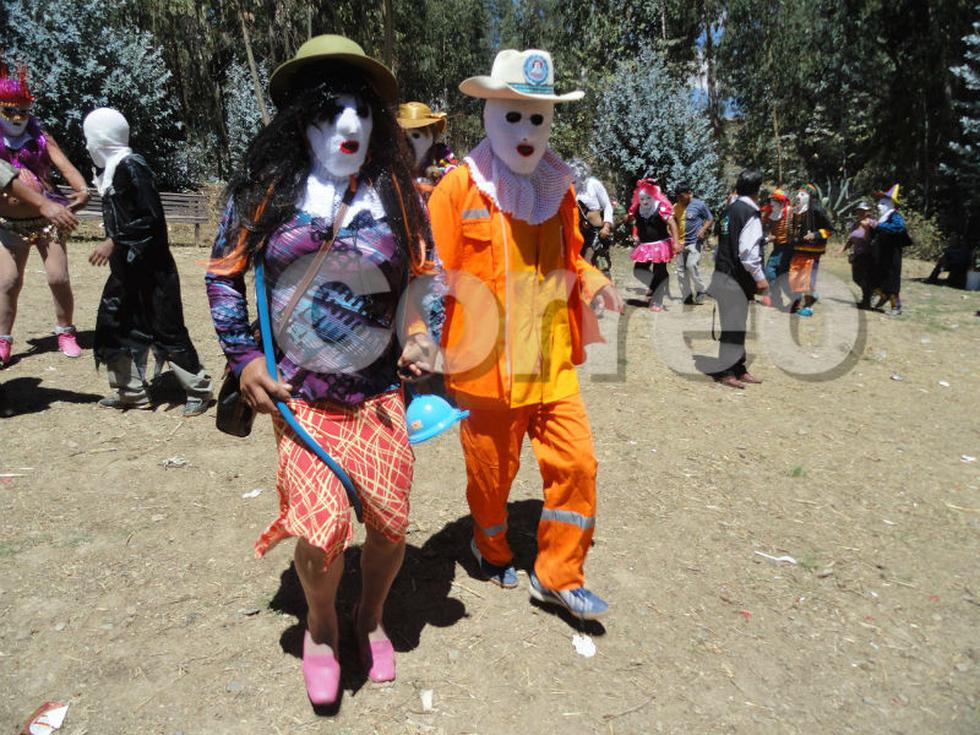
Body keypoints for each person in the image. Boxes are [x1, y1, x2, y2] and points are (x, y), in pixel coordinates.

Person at [206, 35, 441, 706]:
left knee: (390, 524)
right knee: (319, 526)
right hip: (300, 398)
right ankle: (321, 623)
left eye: (361, 111)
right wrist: (245, 356)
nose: (349, 125)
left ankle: (370, 617)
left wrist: (422, 334)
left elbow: (426, 278)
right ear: (299, 118)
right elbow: (225, 277)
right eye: (330, 109)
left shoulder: (396, 191)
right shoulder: (264, 189)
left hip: (378, 397)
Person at [428, 48, 623, 620]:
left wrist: (592, 279)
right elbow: (425, 274)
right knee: (493, 477)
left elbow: (571, 257)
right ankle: (490, 547)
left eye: (537, 118)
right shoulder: (458, 190)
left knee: (578, 464)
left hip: (550, 361)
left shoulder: (560, 187)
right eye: (513, 115)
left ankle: (559, 573)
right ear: (489, 113)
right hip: (486, 371)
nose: (525, 130)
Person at [82, 108, 213, 415]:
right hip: (126, 269)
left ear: (100, 139)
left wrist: (113, 240)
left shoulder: (132, 166)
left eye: (89, 139)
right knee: (115, 324)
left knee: (167, 328)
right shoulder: (112, 170)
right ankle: (131, 392)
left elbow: (151, 218)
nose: (87, 146)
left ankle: (199, 390)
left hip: (153, 270)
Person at [0, 60, 89, 366]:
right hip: (8, 224)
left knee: (58, 277)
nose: (16, 117)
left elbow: (67, 168)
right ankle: (3, 338)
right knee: (8, 282)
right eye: (9, 110)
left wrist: (81, 191)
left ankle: (65, 331)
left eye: (22, 111)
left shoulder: (40, 136)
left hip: (48, 222)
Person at [705, 169, 768, 389]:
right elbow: (748, 253)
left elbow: (719, 246)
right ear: (757, 191)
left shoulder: (729, 210)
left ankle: (739, 368)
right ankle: (726, 371)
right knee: (733, 325)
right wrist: (760, 278)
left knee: (737, 324)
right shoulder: (749, 214)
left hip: (724, 275)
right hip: (736, 279)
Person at [629, 178, 680, 312]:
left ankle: (658, 300)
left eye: (648, 198)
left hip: (661, 244)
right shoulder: (637, 209)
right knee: (638, 270)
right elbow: (633, 220)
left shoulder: (661, 207)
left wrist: (676, 242)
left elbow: (672, 224)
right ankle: (654, 286)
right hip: (645, 245)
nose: (645, 201)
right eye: (642, 198)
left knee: (659, 271)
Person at [396, 101, 457, 201]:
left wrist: (432, 189)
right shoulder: (396, 157)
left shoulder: (441, 153)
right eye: (404, 137)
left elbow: (454, 180)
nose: (410, 142)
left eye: (416, 135)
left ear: (432, 133)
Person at [788, 183, 832, 316]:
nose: (799, 197)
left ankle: (808, 307)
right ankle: (798, 301)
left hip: (812, 252)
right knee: (794, 278)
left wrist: (815, 234)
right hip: (798, 250)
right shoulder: (796, 210)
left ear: (810, 197)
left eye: (803, 194)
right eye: (798, 194)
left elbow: (830, 230)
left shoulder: (817, 210)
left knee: (807, 280)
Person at [866, 184, 910, 316]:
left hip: (892, 255)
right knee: (875, 279)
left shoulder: (895, 216)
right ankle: (882, 296)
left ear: (890, 204)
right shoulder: (882, 218)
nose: (879, 206)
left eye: (883, 203)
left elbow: (899, 228)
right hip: (880, 254)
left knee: (891, 281)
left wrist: (879, 225)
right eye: (879, 203)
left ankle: (896, 307)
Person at [571, 159, 614, 271]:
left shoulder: (593, 184)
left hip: (596, 232)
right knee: (576, 265)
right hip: (577, 234)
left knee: (588, 263)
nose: (572, 178)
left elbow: (607, 205)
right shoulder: (568, 188)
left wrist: (606, 226)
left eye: (575, 174)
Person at [674, 182, 713, 305]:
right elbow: (672, 223)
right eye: (677, 196)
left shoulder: (699, 205)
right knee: (680, 270)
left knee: (691, 265)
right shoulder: (675, 207)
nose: (679, 198)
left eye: (681, 196)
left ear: (688, 193)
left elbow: (710, 218)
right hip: (680, 243)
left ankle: (701, 291)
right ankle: (687, 295)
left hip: (694, 242)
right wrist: (673, 240)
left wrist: (702, 230)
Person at [763, 187, 793, 308]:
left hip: (786, 247)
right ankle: (778, 298)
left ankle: (779, 298)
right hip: (778, 246)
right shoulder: (773, 212)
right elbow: (769, 227)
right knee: (780, 273)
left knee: (770, 270)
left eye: (773, 200)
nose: (771, 202)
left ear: (780, 201)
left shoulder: (789, 211)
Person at [839, 202, 873, 309]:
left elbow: (871, 240)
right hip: (857, 254)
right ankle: (868, 295)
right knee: (856, 278)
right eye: (858, 210)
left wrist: (867, 228)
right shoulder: (855, 224)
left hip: (867, 255)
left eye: (862, 211)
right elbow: (851, 239)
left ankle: (866, 300)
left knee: (864, 278)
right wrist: (843, 249)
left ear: (868, 212)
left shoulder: (871, 224)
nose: (860, 212)